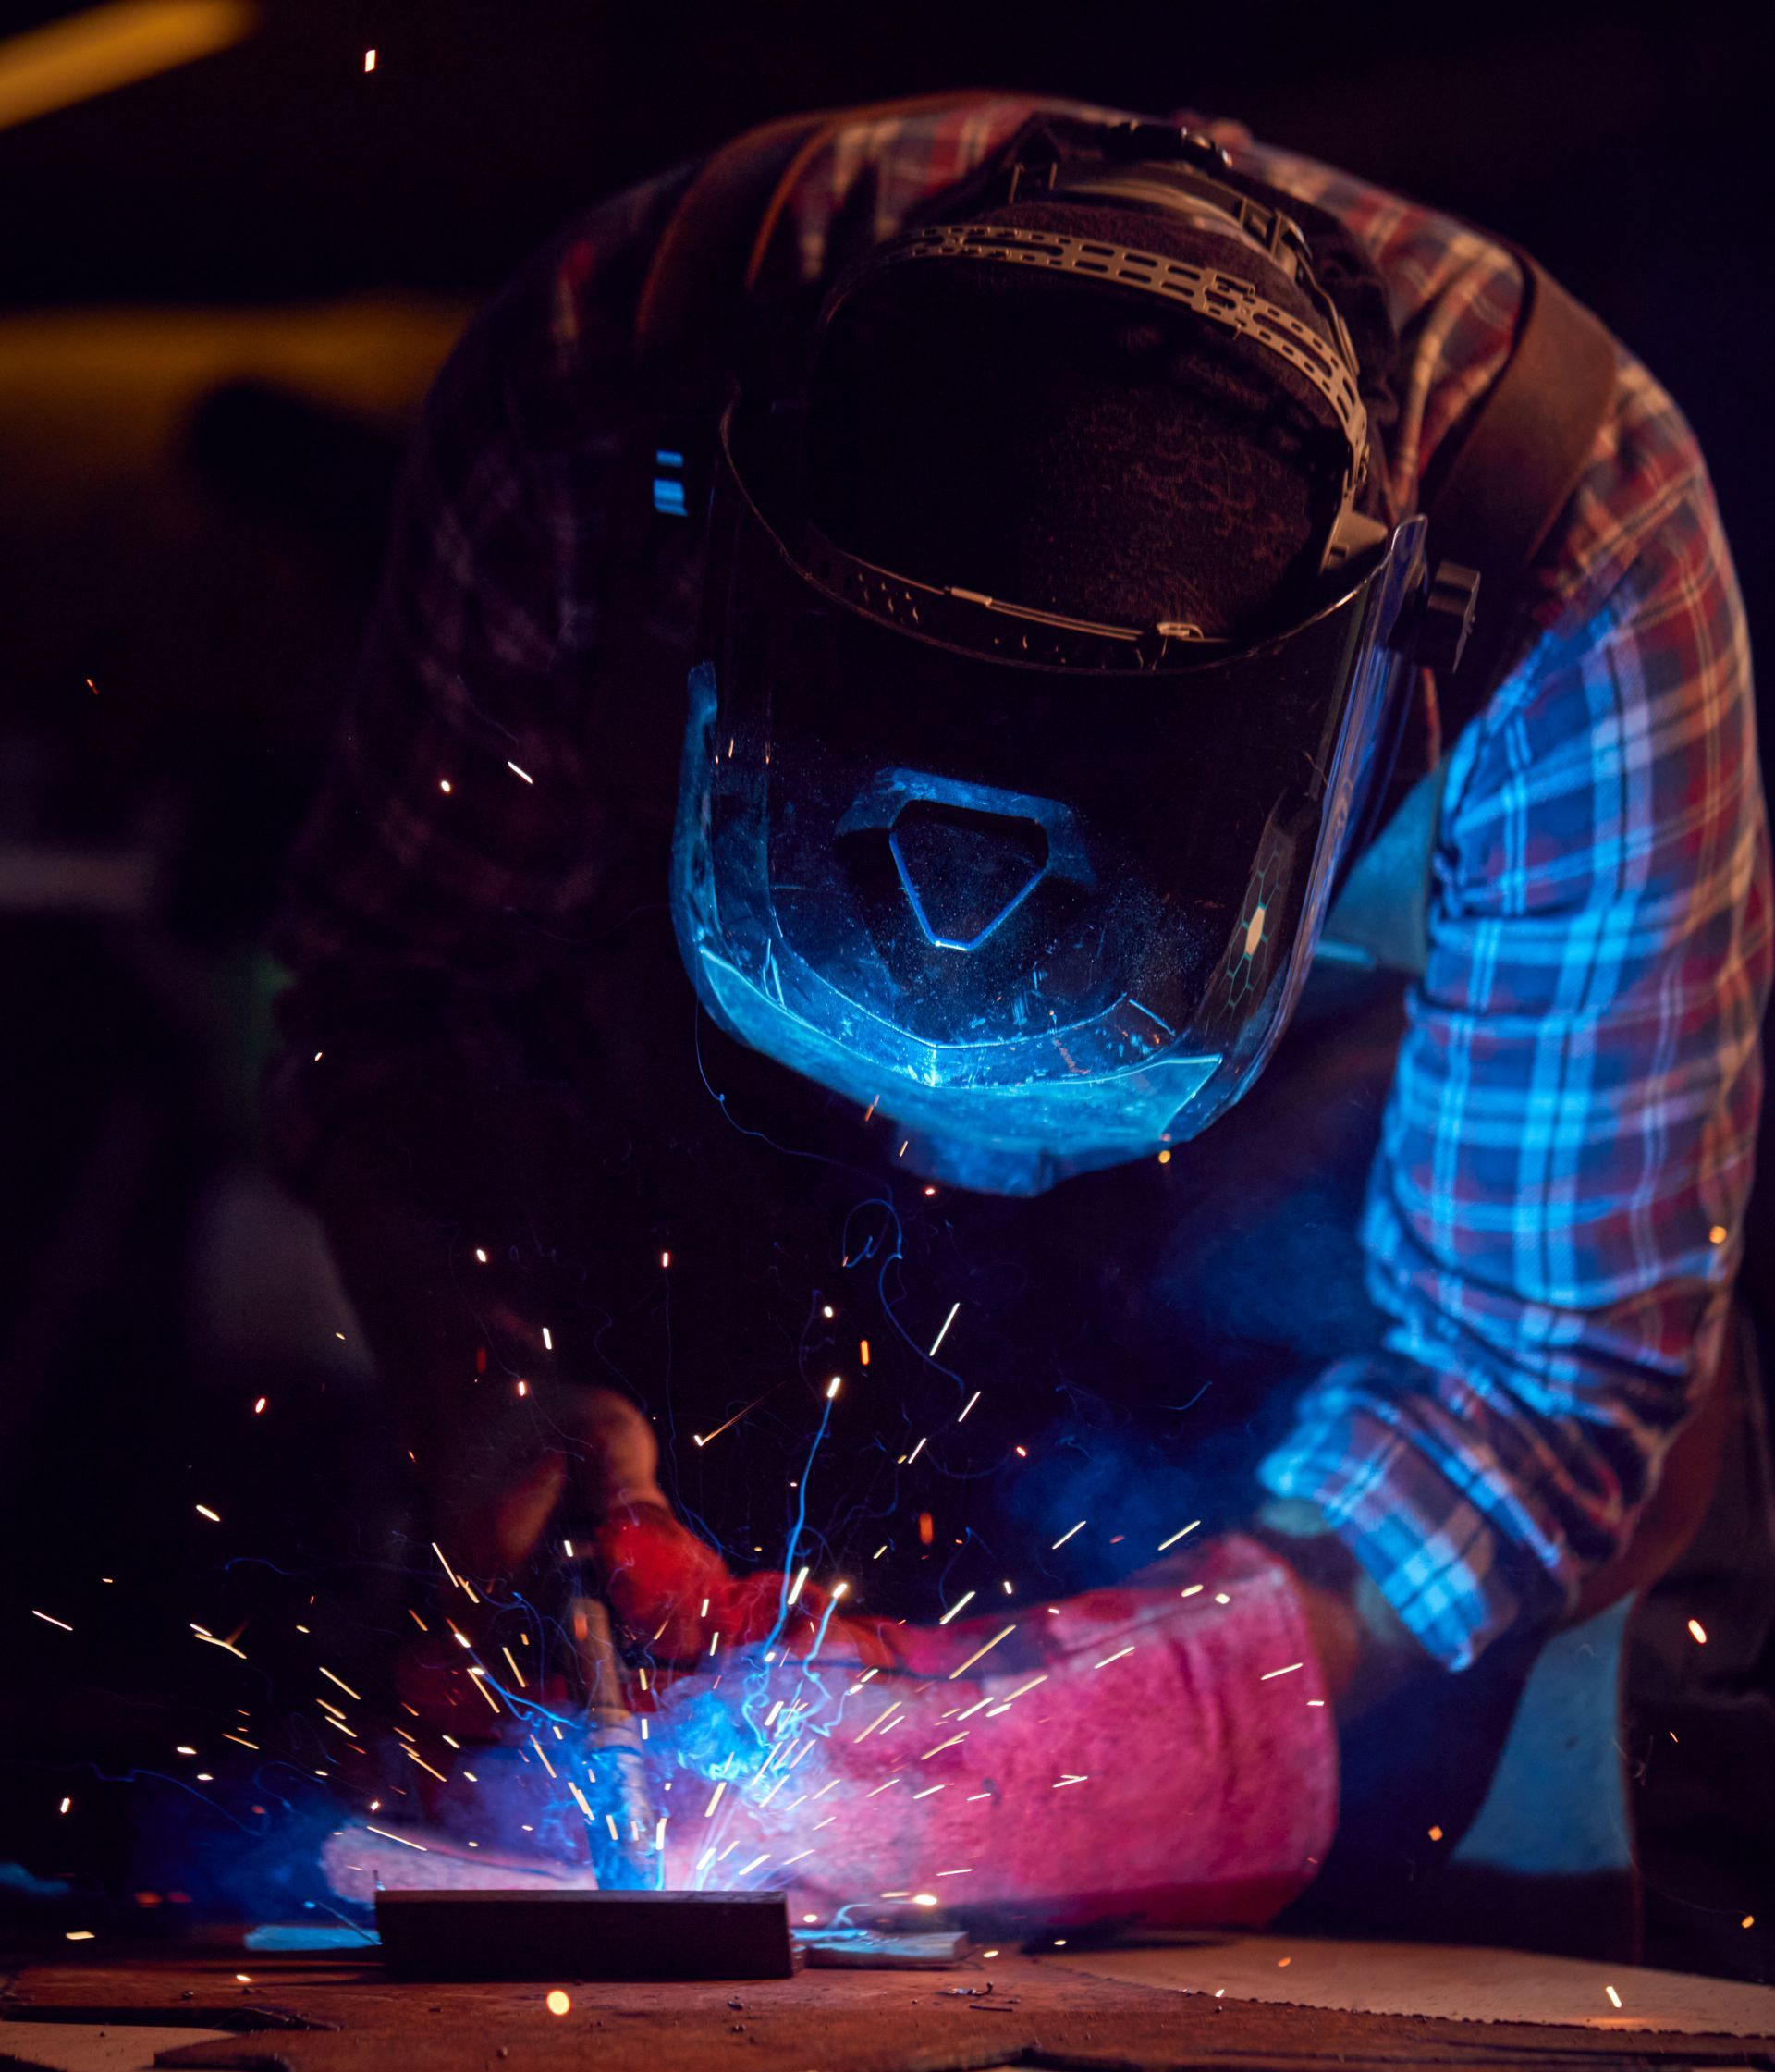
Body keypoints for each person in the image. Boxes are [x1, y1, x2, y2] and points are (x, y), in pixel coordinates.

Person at [275, 95, 1771, 1956]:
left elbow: (1546, 1389)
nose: (949, 1165)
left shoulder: (1572, 550)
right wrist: (483, 1371)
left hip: (1323, 1383)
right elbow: (400, 997)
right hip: (722, 1284)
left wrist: (1113, 1742)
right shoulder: (602, 389)